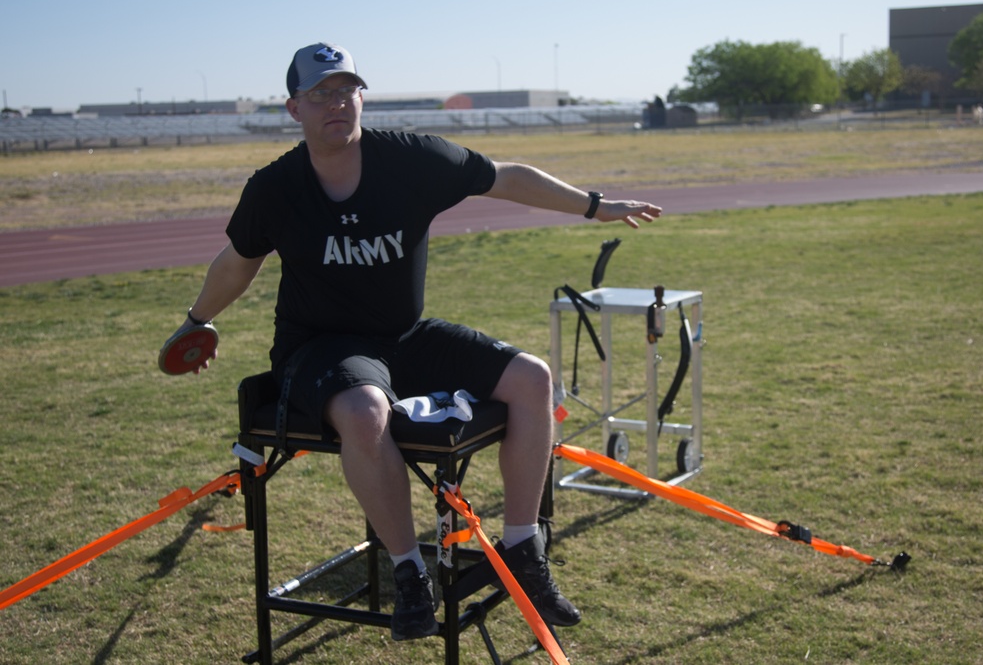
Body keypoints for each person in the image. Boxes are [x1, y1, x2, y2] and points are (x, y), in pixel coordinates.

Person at [172, 42, 662, 641]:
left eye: (347, 88)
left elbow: (504, 177)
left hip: (404, 337)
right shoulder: (275, 187)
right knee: (365, 409)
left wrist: (595, 206)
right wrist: (197, 321)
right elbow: (237, 263)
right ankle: (409, 573)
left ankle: (521, 552)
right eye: (320, 93)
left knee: (533, 378)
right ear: (293, 107)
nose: (337, 102)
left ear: (362, 96)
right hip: (322, 347)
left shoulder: (409, 158)